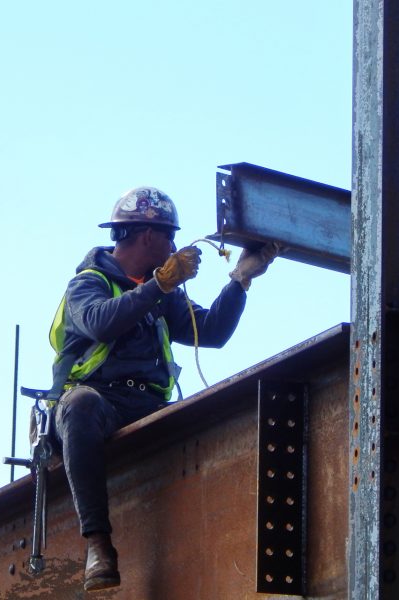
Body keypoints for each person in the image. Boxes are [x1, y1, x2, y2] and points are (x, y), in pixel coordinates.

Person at [49, 186, 280, 591]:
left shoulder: (162, 294)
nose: (175, 247)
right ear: (148, 236)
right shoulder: (88, 283)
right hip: (100, 402)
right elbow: (102, 322)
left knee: (203, 417)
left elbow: (211, 331)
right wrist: (159, 284)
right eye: (170, 237)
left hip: (146, 404)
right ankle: (98, 544)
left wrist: (241, 279)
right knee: (79, 404)